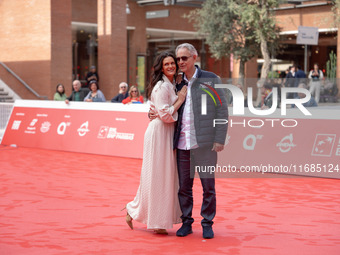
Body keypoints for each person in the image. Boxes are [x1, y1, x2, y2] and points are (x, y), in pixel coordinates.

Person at [125, 51, 187, 234]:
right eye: (166, 64)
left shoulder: (171, 84)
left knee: (163, 177)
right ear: (160, 67)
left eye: (172, 63)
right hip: (159, 132)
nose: (170, 66)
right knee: (157, 177)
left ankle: (147, 215)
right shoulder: (161, 86)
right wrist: (181, 99)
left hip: (166, 133)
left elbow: (161, 110)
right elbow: (166, 114)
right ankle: (155, 221)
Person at [172, 43, 228, 239]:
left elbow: (222, 110)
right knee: (184, 188)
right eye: (178, 59)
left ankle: (207, 223)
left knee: (208, 187)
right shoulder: (176, 82)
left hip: (205, 146)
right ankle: (186, 222)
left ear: (194, 58)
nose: (180, 62)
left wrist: (219, 138)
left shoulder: (210, 79)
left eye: (184, 58)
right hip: (182, 146)